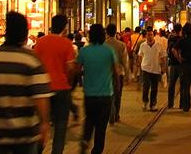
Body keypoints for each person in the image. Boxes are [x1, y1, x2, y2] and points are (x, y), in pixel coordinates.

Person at [0, 12, 52, 154]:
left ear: (6, 32)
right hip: (25, 135)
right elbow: (40, 98)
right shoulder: (31, 60)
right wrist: (44, 123)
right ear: (25, 34)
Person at [34, 15, 75, 154]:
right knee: (60, 126)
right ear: (65, 27)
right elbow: (70, 68)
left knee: (41, 123)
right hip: (61, 89)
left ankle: (37, 150)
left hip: (42, 89)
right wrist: (67, 80)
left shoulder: (40, 42)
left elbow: (35, 64)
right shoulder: (67, 44)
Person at [77, 24, 120, 154]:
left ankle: (85, 140)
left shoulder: (84, 51)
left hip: (89, 94)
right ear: (103, 35)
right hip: (106, 94)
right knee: (101, 127)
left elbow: (77, 70)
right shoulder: (108, 50)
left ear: (90, 35)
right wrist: (117, 86)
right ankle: (97, 151)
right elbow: (116, 71)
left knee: (89, 119)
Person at [138, 28, 166, 111]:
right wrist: (140, 65)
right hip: (145, 69)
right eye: (148, 35)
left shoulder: (159, 45)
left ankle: (153, 104)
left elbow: (163, 57)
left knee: (154, 88)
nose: (149, 36)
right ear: (146, 36)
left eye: (151, 35)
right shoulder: (143, 45)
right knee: (146, 86)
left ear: (153, 36)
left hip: (156, 69)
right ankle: (145, 102)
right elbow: (140, 55)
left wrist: (164, 68)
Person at [105, 23, 128, 124]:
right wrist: (128, 75)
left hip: (106, 74)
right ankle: (116, 114)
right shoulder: (121, 45)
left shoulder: (103, 45)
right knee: (118, 95)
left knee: (108, 95)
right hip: (119, 74)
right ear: (116, 32)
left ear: (107, 32)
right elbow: (125, 61)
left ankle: (110, 113)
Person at [167, 23, 183, 108]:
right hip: (181, 64)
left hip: (172, 64)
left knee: (171, 84)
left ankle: (170, 103)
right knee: (183, 84)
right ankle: (181, 104)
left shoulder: (170, 39)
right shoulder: (182, 39)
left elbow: (168, 50)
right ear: (181, 30)